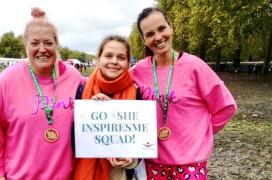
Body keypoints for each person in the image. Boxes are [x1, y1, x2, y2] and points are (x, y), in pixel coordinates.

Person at [131, 7, 237, 179]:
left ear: (171, 27)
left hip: (191, 164)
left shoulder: (195, 66)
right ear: (144, 40)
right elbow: (110, 85)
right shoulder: (137, 71)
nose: (158, 37)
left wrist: (202, 133)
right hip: (153, 164)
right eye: (150, 34)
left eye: (161, 28)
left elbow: (226, 107)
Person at [0, 7, 83, 180]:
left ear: (57, 44)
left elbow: (102, 88)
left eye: (48, 43)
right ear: (26, 46)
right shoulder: (6, 81)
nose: (42, 49)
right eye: (35, 43)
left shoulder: (74, 77)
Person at [72, 35, 140, 180]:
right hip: (87, 171)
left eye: (121, 57)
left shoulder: (136, 91)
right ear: (99, 59)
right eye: (108, 56)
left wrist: (130, 159)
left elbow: (140, 140)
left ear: (128, 62)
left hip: (119, 174)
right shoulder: (83, 90)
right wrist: (89, 112)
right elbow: (73, 139)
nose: (114, 61)